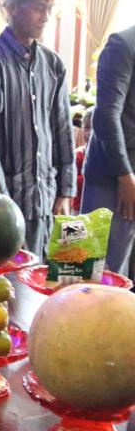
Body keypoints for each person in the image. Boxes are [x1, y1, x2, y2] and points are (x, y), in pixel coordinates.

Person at [0, 0, 75, 259]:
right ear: (13, 7)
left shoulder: (53, 64)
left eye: (50, 9)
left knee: (43, 284)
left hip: (46, 196)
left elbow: (63, 129)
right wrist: (0, 202)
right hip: (5, 204)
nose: (45, 17)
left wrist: (65, 190)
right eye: (39, 8)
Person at [83, 21, 135, 278]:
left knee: (125, 276)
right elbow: (106, 115)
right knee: (92, 274)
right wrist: (125, 175)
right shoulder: (123, 44)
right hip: (112, 179)